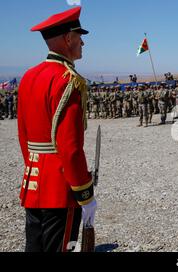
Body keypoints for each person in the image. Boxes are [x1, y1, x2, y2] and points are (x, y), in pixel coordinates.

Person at [17, 6, 96, 252]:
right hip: (60, 188)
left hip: (34, 181)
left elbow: (23, 135)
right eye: (79, 36)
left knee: (35, 246)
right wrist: (85, 194)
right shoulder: (68, 80)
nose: (82, 42)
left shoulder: (29, 76)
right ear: (68, 38)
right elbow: (70, 148)